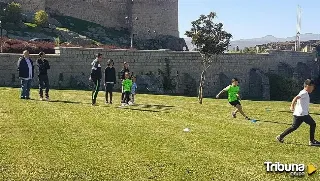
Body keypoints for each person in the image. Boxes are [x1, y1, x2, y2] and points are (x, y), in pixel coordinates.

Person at [276, 79, 320, 146]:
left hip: (298, 114)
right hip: (302, 114)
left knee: (294, 127)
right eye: (312, 87)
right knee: (313, 124)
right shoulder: (304, 92)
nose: (313, 88)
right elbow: (296, 98)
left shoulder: (303, 92)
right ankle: (312, 141)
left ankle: (280, 137)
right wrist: (292, 106)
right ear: (308, 86)